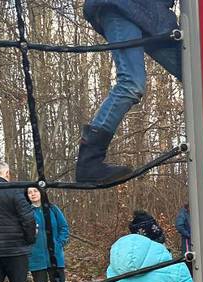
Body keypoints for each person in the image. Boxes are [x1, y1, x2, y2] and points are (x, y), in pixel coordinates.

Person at [77, 0, 182, 183]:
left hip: (153, 16)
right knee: (131, 82)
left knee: (197, 74)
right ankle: (89, 161)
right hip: (123, 7)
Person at [26, 187, 70, 282]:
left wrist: (59, 243)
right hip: (36, 256)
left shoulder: (53, 209)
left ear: (41, 192)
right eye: (29, 192)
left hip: (55, 255)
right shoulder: (26, 211)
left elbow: (64, 227)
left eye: (35, 191)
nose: (32, 194)